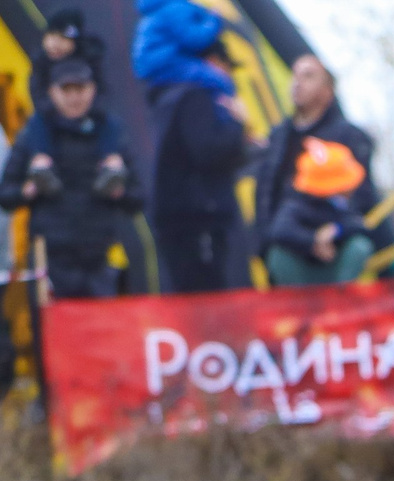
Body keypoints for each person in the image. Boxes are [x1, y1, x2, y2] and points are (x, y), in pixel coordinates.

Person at [0, 54, 140, 306]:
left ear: (93, 89)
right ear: (52, 92)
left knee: (101, 333)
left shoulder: (109, 133)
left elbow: (138, 198)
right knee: (56, 337)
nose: (74, 97)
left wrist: (119, 189)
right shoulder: (35, 134)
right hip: (51, 257)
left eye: (81, 89)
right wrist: (29, 189)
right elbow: (6, 196)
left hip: (99, 256)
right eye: (67, 90)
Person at [252, 55, 378, 288]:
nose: (297, 83)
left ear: (327, 91)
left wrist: (335, 232)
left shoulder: (350, 137)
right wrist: (269, 244)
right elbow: (265, 197)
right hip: (286, 246)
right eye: (295, 76)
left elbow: (363, 199)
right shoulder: (278, 137)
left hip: (337, 248)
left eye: (308, 76)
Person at [142, 29, 247, 293]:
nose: (229, 76)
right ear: (212, 61)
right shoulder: (196, 96)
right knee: (205, 295)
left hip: (184, 214)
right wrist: (237, 125)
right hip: (197, 217)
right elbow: (207, 151)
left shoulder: (173, 93)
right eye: (227, 67)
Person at [132, 0, 230, 97]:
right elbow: (194, 40)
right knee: (218, 80)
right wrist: (214, 20)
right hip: (167, 62)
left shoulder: (155, 12)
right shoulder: (174, 8)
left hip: (156, 68)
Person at [31, 6, 109, 105]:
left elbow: (103, 96)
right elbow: (38, 97)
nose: (54, 44)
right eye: (51, 36)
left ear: (76, 42)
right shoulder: (41, 63)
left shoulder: (91, 59)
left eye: (62, 38)